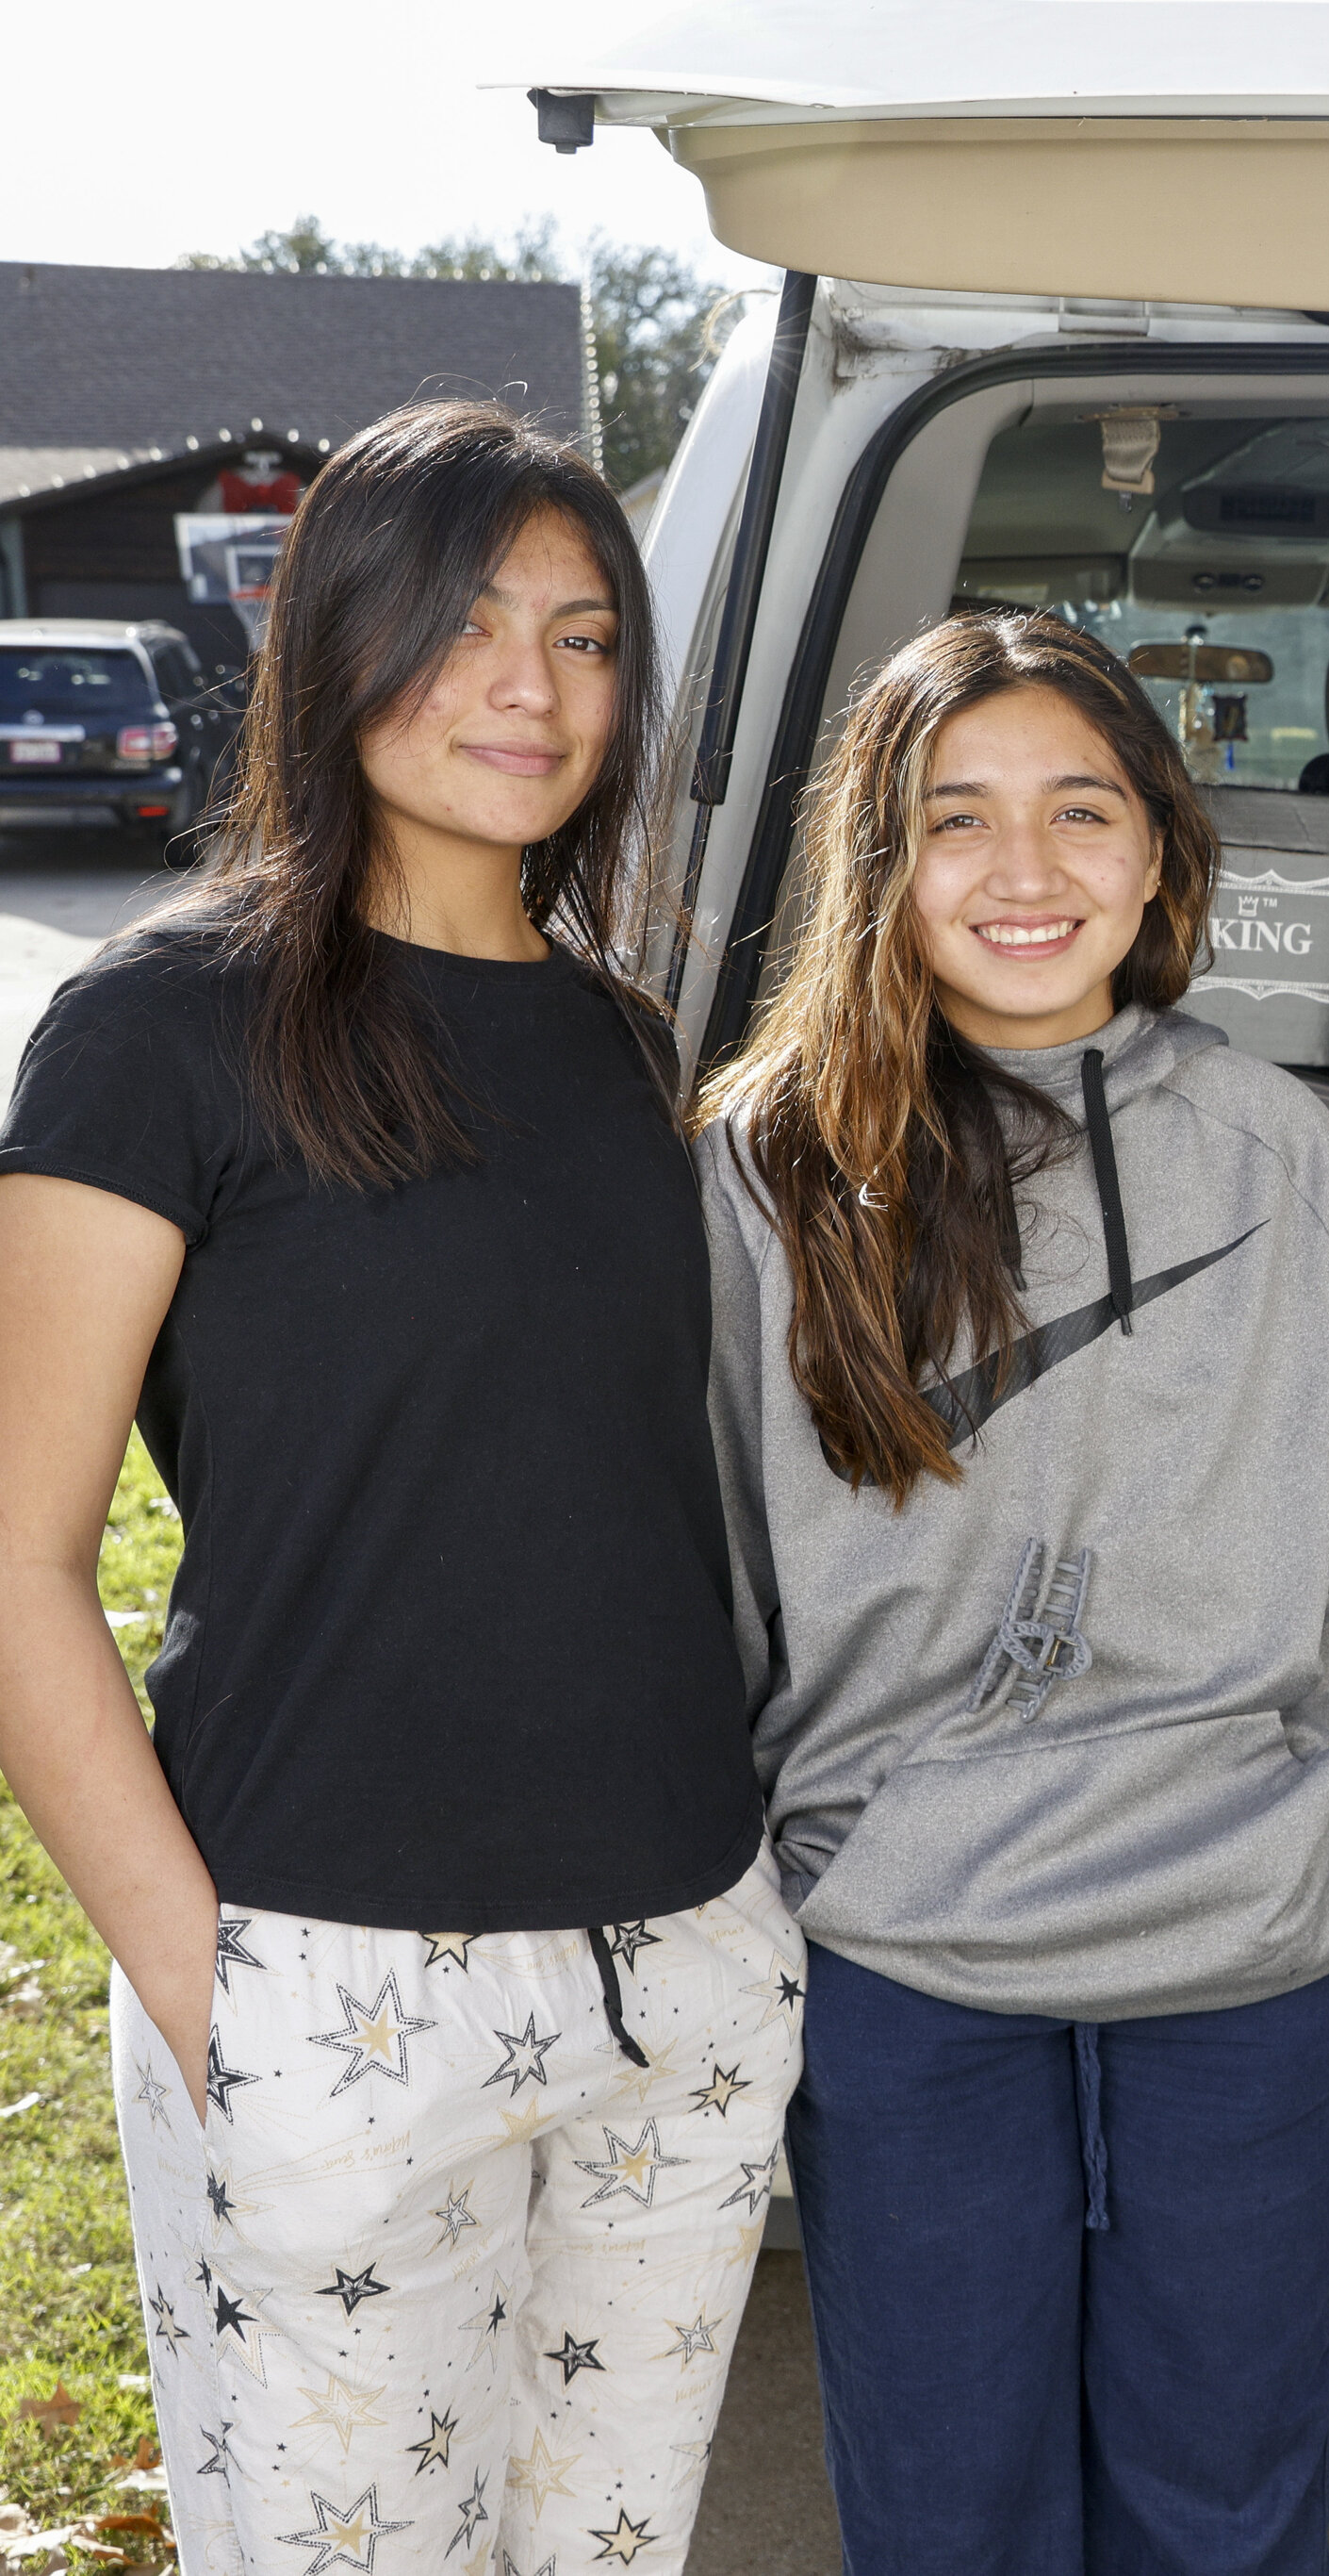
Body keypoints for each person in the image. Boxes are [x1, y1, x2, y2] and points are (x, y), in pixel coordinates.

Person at [0, 401, 793, 2576]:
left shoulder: (634, 1046)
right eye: (457, 625)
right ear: (331, 639)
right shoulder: (159, 1030)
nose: (523, 687)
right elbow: (17, 1557)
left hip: (684, 1973)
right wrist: (207, 1985)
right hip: (333, 1978)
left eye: (580, 632)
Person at [697, 610, 1329, 2575]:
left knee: (1228, 2498)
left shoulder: (1292, 1152)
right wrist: (800, 1867)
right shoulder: (766, 1174)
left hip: (1250, 1939)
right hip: (907, 1958)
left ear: (1159, 850)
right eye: (956, 819)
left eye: (1078, 811)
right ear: (879, 857)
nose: (1023, 873)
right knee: (953, 2511)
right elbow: (700, 1563)